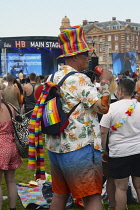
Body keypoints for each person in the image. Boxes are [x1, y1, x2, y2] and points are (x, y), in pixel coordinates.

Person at [45, 25, 112, 210]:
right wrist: (105, 82)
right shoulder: (80, 79)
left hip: (56, 147)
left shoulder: (53, 76)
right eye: (85, 55)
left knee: (59, 195)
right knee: (92, 198)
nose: (88, 58)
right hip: (79, 149)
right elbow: (103, 108)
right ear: (74, 56)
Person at [100, 79, 140, 210]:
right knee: (139, 185)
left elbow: (103, 132)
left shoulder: (111, 108)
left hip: (119, 153)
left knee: (121, 188)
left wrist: (103, 150)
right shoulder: (139, 106)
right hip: (138, 151)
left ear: (120, 91)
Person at [0, 83, 22, 210]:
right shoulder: (10, 107)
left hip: (1, 148)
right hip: (12, 145)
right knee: (11, 181)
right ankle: (12, 208)